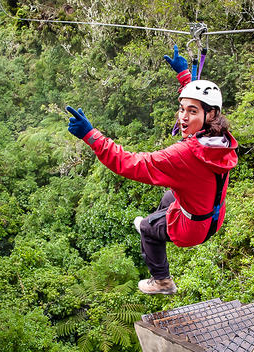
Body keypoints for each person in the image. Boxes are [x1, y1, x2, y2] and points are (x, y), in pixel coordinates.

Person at [64, 78, 238, 295]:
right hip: (213, 213)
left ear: (210, 114)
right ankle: (160, 223)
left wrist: (92, 136)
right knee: (168, 197)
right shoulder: (221, 140)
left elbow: (131, 163)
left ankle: (163, 281)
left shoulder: (185, 156)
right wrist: (185, 78)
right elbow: (201, 104)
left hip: (193, 230)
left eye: (191, 111)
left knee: (146, 227)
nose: (183, 116)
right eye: (181, 108)